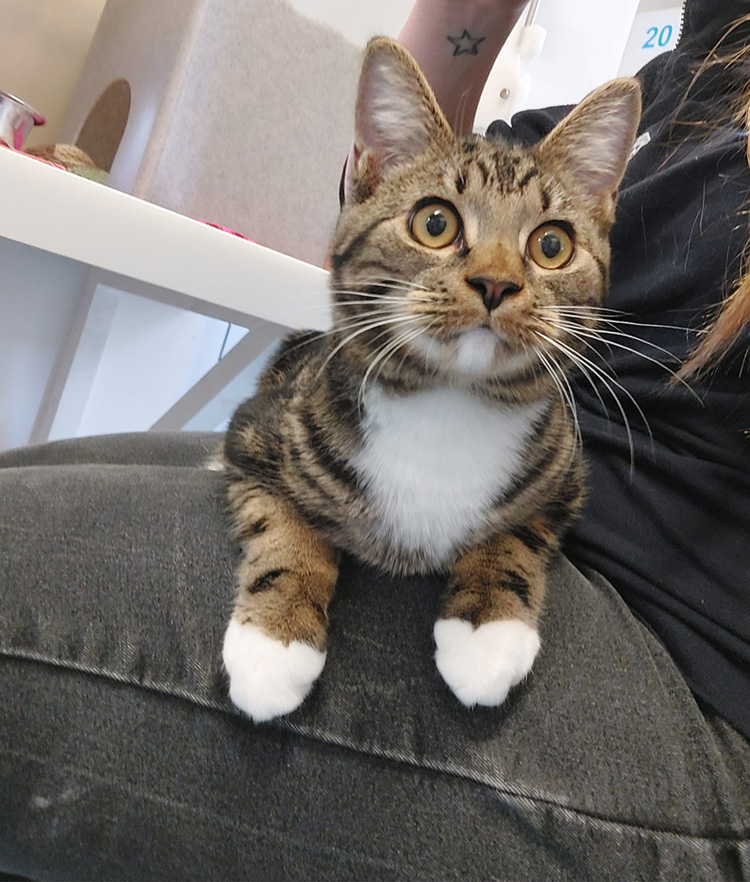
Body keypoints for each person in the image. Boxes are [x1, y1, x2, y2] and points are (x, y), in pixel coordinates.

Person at [1, 0, 748, 878]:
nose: (498, 277)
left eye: (547, 246)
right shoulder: (688, 64)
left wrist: (502, 568)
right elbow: (402, 187)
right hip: (391, 425)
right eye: (443, 231)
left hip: (690, 670)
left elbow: (561, 481)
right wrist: (295, 561)